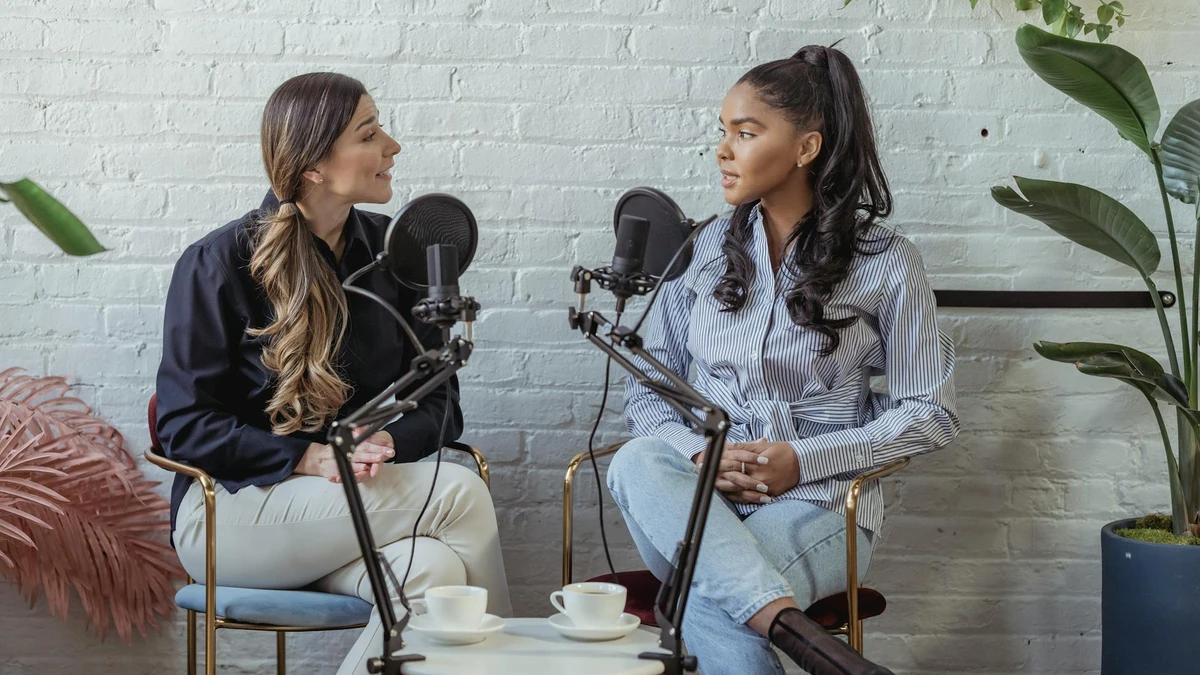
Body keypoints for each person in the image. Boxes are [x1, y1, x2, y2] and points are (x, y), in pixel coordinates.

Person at [606, 44, 959, 675]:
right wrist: (697, 457)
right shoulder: (701, 250)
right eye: (724, 132)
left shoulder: (887, 262)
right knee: (637, 460)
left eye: (745, 133)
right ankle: (809, 645)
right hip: (694, 500)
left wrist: (804, 460)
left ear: (806, 148)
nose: (723, 149)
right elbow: (649, 390)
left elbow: (930, 412)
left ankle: (787, 634)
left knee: (706, 600)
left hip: (818, 504)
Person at [155, 72, 510, 675]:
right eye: (370, 134)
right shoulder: (218, 263)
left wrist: (392, 440)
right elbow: (184, 427)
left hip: (353, 510)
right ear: (314, 165)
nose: (392, 147)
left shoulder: (397, 255)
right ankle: (521, 665)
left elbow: (442, 404)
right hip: (233, 518)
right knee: (457, 489)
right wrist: (305, 457)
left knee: (435, 571)